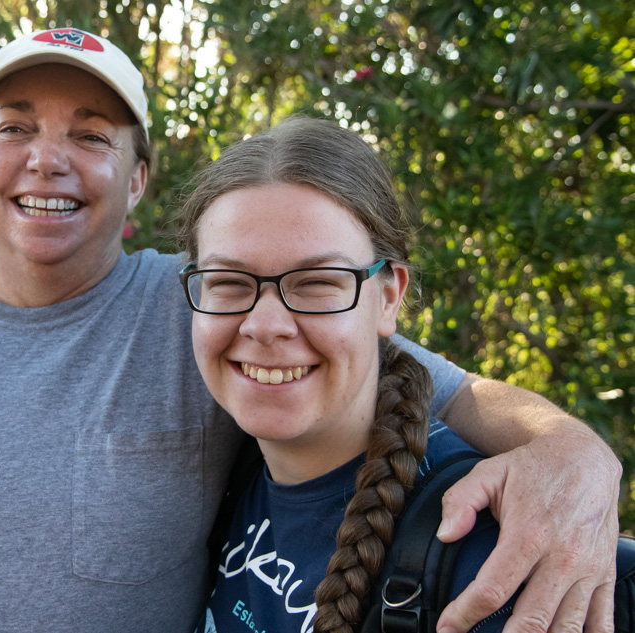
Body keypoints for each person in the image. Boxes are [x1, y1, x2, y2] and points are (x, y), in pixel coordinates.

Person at [0, 27, 620, 633]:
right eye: (15, 127)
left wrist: (577, 456)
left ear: (137, 181)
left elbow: (448, 390)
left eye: (91, 135)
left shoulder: (216, 306)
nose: (47, 158)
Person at [179, 116, 514, 632]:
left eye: (317, 282)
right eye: (228, 282)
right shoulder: (230, 473)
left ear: (388, 297)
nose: (266, 326)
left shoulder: (480, 554)